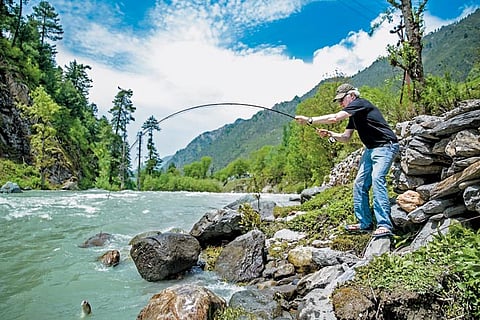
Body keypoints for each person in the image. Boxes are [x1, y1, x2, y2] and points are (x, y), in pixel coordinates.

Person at [295, 83, 399, 238]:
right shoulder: (354, 115)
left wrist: (310, 120)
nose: (340, 103)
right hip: (370, 149)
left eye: (341, 100)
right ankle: (365, 223)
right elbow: (345, 137)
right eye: (338, 101)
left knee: (377, 179)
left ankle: (384, 225)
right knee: (359, 184)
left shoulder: (360, 103)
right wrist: (330, 134)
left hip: (385, 146)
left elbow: (335, 118)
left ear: (352, 95)